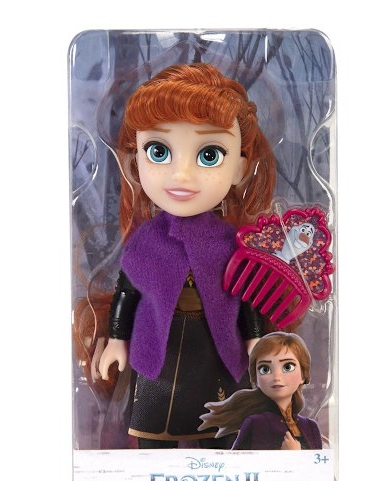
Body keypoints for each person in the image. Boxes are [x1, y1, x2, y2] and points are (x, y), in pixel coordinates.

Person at [75, 64, 276, 448]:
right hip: (158, 348)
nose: (181, 175)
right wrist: (116, 340)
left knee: (222, 426)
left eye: (209, 154)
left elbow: (246, 295)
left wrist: (255, 340)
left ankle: (224, 472)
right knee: (155, 427)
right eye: (159, 151)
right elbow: (126, 294)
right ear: (136, 163)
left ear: (240, 168)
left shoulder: (231, 243)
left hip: (215, 345)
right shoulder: (145, 242)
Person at [199, 332, 323, 450]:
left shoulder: (310, 427)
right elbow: (241, 461)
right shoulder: (257, 423)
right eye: (265, 369)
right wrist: (287, 456)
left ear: (303, 375)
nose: (276, 377)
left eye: (287, 367)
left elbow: (320, 463)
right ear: (256, 379)